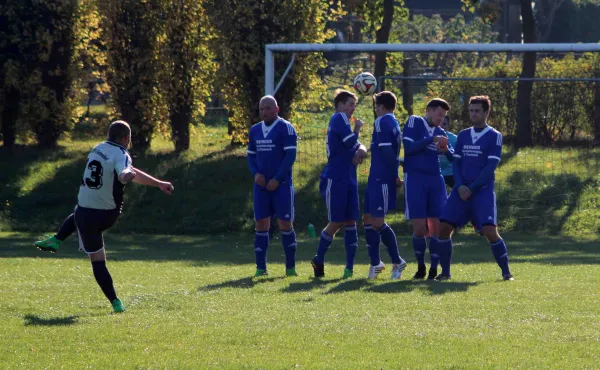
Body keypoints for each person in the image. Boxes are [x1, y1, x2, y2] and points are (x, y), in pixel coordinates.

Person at [34, 120, 175, 313]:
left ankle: (58, 240)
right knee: (96, 256)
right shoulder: (121, 154)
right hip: (106, 215)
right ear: (126, 138)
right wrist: (127, 176)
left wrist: (154, 181)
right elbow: (126, 171)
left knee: (81, 219)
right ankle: (115, 302)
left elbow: (128, 170)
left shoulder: (97, 148)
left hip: (85, 212)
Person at [437, 95, 514, 281]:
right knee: (443, 228)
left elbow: (490, 168)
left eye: (477, 111)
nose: (473, 114)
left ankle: (506, 272)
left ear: (486, 112)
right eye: (471, 111)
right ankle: (445, 273)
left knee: (489, 231)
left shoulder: (494, 136)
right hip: (460, 190)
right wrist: (460, 185)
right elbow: (456, 163)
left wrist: (471, 188)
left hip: (482, 191)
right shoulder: (463, 135)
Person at [311, 89, 368, 278]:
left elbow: (356, 145)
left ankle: (349, 269)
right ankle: (319, 258)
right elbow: (349, 140)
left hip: (349, 176)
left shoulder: (342, 121)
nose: (353, 109)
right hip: (335, 177)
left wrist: (360, 149)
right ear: (341, 104)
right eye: (351, 104)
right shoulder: (339, 118)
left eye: (354, 105)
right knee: (336, 221)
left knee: (351, 221)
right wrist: (358, 129)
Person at [402, 98, 453, 280]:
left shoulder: (440, 131)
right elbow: (408, 148)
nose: (441, 119)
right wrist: (430, 139)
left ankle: (433, 268)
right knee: (419, 228)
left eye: (444, 116)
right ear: (429, 110)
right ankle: (420, 266)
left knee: (437, 226)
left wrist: (446, 149)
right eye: (439, 114)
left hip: (436, 180)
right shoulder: (414, 121)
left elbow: (453, 157)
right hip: (416, 178)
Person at [247, 96, 298, 277]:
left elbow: (289, 158)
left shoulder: (286, 128)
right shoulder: (254, 131)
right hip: (261, 186)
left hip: (281, 185)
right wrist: (256, 174)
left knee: (285, 223)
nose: (264, 112)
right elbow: (251, 157)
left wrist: (277, 178)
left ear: (277, 109)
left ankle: (290, 268)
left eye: (268, 108)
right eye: (261, 109)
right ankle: (261, 268)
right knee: (261, 223)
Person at [362, 91, 407, 279]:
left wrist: (394, 173)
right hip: (377, 177)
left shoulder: (382, 121)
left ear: (381, 106)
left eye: (376, 106)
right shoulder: (394, 122)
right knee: (367, 218)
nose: (375, 110)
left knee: (377, 221)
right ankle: (376, 263)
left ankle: (398, 261)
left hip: (381, 178)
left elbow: (388, 152)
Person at [439, 116, 458, 190]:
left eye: (444, 124)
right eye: (439, 123)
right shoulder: (431, 137)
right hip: (436, 172)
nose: (441, 126)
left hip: (451, 172)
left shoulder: (454, 139)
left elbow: (457, 159)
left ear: (448, 126)